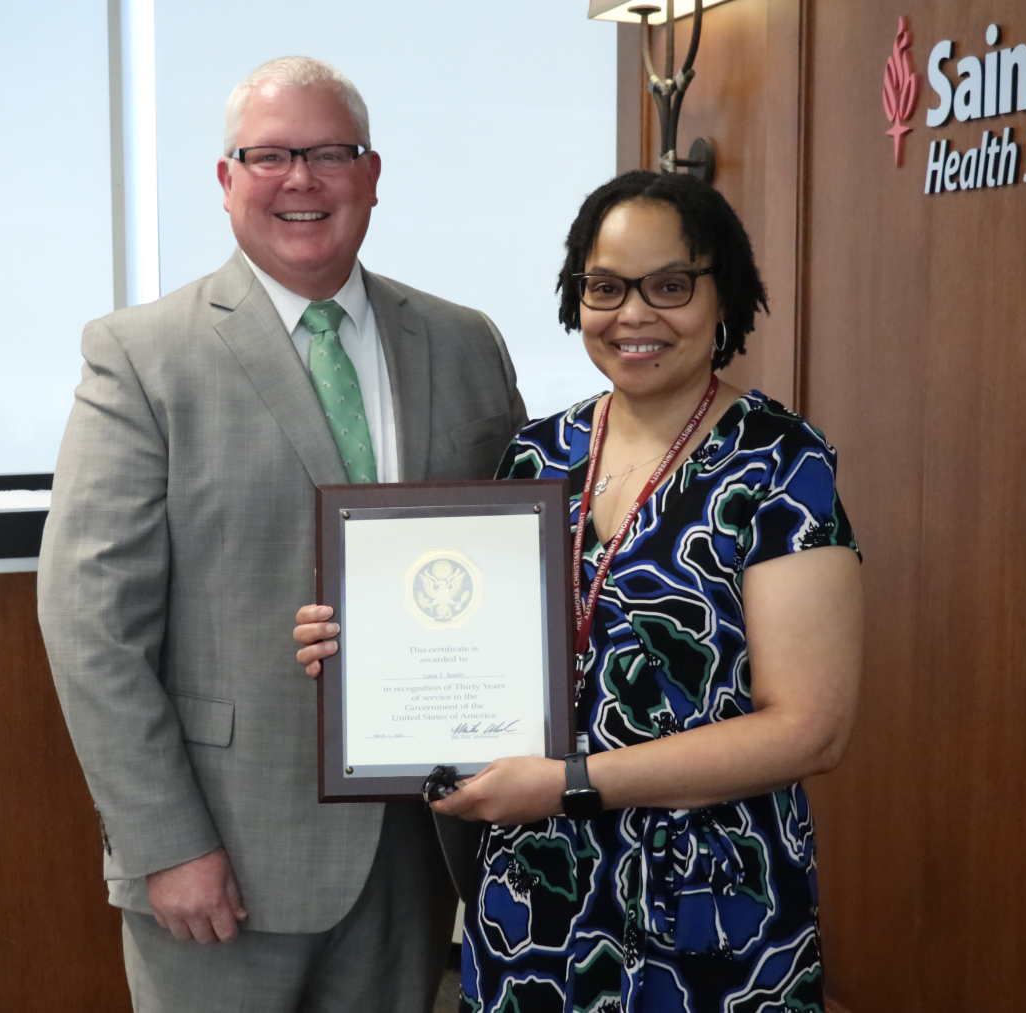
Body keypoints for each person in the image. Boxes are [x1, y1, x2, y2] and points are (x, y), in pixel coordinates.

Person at [296, 169, 863, 1012]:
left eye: (669, 284)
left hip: (707, 899)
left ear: (723, 295)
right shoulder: (535, 457)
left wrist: (571, 781)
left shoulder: (779, 462)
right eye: (605, 287)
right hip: (535, 899)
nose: (633, 314)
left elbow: (809, 729)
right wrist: (357, 646)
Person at [38, 56, 526, 1013]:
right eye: (269, 155)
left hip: (418, 844)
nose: (301, 178)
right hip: (223, 854)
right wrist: (167, 842)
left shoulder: (466, 341)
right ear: (226, 181)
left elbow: (514, 565)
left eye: (330, 153)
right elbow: (89, 623)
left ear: (373, 175)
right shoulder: (142, 356)